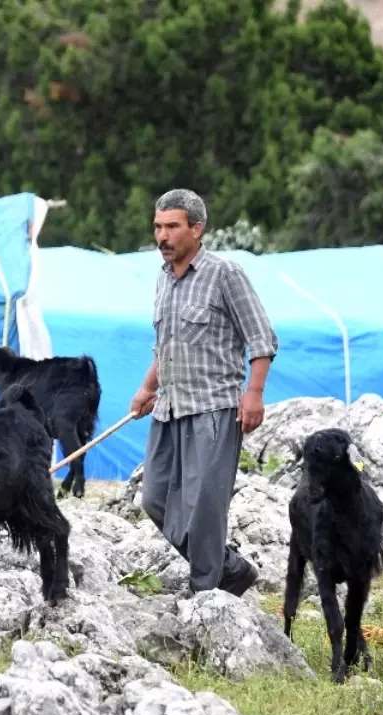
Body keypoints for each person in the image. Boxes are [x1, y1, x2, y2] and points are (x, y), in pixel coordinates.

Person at [129, 189, 278, 598]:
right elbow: (168, 344)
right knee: (154, 500)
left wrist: (255, 393)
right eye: (158, 226)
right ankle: (230, 570)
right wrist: (147, 387)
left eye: (172, 226)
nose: (162, 236)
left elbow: (262, 338)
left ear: (197, 228)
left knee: (204, 511)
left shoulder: (224, 274)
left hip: (213, 409)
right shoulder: (162, 278)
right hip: (168, 409)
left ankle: (205, 594)